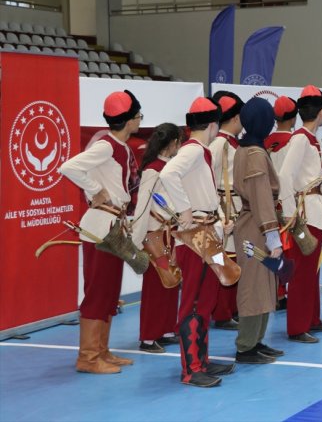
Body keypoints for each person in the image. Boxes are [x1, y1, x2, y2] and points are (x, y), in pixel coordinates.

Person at [60, 90, 142, 374]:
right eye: (138, 116)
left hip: (112, 226)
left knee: (109, 292)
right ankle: (88, 357)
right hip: (100, 227)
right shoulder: (107, 146)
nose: (140, 120)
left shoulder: (121, 146)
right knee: (97, 292)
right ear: (129, 120)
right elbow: (68, 167)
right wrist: (95, 190)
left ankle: (102, 352)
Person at [159, 97, 235, 388]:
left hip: (206, 234)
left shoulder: (199, 151)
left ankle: (200, 360)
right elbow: (168, 174)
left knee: (205, 299)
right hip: (195, 238)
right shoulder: (192, 151)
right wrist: (185, 210)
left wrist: (218, 221)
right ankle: (191, 368)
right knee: (193, 302)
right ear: (213, 125)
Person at [279, 85, 322, 343]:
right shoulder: (301, 138)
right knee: (301, 273)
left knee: (311, 268)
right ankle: (297, 326)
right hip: (303, 214)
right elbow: (285, 177)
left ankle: (312, 318)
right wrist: (292, 216)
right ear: (320, 113)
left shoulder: (310, 139)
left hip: (313, 210)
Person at [233, 97, 285, 364]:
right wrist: (272, 235)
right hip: (256, 227)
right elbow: (261, 197)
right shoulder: (254, 154)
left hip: (254, 224)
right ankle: (245, 346)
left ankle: (257, 340)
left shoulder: (246, 149)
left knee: (263, 283)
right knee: (254, 285)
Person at [131, 123, 183, 353]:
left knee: (172, 280)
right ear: (172, 144)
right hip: (155, 234)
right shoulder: (152, 170)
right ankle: (148, 337)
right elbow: (142, 207)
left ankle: (167, 329)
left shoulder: (170, 168)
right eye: (178, 143)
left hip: (170, 232)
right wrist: (136, 240)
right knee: (155, 284)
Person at [209, 91, 245, 331]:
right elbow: (209, 176)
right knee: (225, 260)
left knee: (236, 258)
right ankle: (221, 312)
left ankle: (232, 309)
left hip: (236, 206)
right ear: (233, 118)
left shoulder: (233, 142)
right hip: (225, 207)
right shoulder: (219, 144)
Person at [264, 95, 298, 310]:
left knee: (271, 248)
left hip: (267, 203)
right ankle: (285, 292)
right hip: (288, 202)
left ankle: (274, 292)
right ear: (294, 118)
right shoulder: (295, 142)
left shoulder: (264, 142)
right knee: (289, 250)